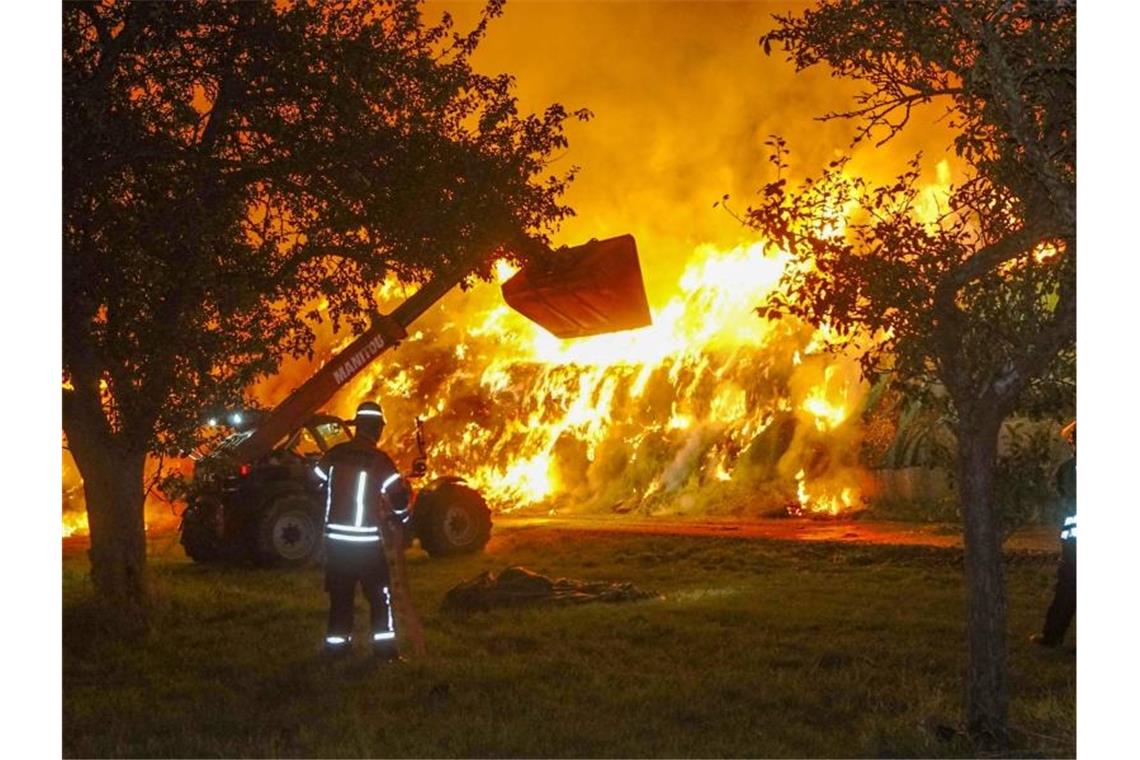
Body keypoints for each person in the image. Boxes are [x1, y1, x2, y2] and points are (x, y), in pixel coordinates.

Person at [313, 400, 412, 661]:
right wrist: (402, 519)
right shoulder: (379, 460)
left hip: (335, 543)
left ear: (357, 427)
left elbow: (315, 481)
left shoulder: (334, 454)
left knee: (340, 599)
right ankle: (385, 653)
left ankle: (335, 651)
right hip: (366, 544)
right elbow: (398, 498)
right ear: (377, 429)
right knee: (379, 598)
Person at [1032, 420, 1076, 649]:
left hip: (1075, 542)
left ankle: (1052, 636)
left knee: (1068, 587)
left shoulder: (1069, 469)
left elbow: (1062, 495)